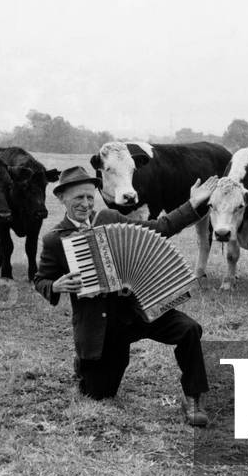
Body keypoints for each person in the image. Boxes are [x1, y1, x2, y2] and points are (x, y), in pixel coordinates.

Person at [32, 166, 218, 427]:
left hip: (139, 308)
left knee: (188, 329)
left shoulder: (109, 217)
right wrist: (56, 285)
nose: (85, 204)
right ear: (62, 199)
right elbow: (40, 280)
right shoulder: (55, 240)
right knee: (98, 394)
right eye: (78, 199)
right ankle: (84, 365)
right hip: (103, 326)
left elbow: (159, 228)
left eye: (89, 197)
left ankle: (193, 398)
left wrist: (191, 204)